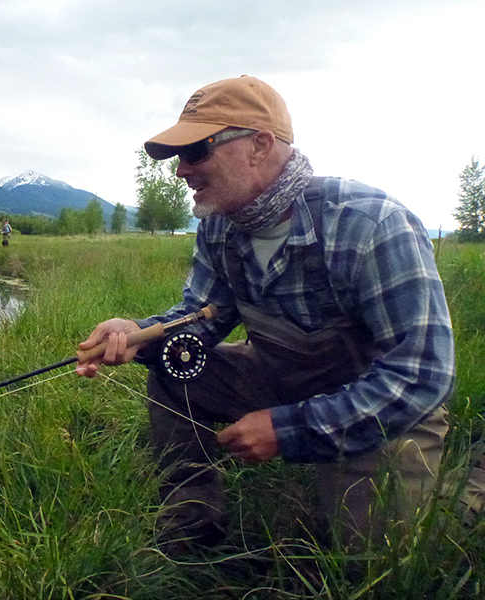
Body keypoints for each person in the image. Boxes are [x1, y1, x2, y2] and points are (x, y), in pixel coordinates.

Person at [76, 75, 455, 551]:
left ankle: (471, 491)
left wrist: (288, 429)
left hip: (382, 404)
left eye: (196, 152)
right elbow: (200, 316)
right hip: (284, 377)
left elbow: (422, 373)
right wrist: (139, 334)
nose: (181, 172)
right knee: (174, 371)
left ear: (259, 145)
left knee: (379, 560)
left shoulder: (370, 224)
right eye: (178, 158)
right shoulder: (219, 225)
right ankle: (192, 524)